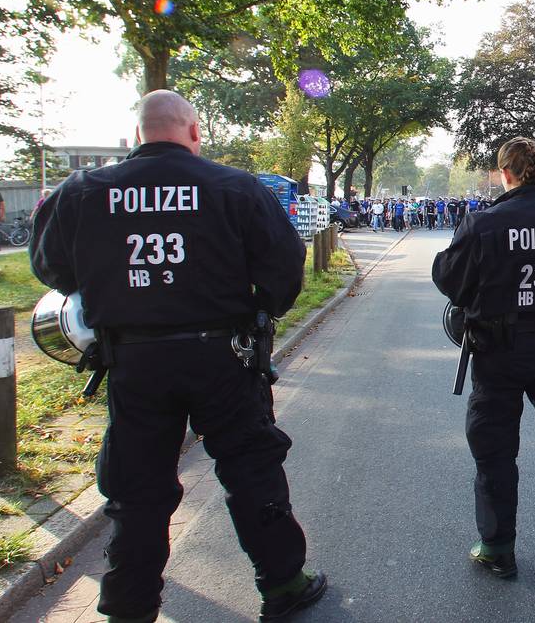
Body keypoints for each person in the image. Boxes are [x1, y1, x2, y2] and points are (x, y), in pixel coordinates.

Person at [28, 90, 325, 622]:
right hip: (224, 359)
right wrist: (259, 310)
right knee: (251, 470)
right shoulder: (237, 188)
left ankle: (128, 607)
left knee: (137, 486)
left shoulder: (83, 191)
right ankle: (283, 585)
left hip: (134, 361)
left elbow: (51, 268)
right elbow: (284, 266)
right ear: (195, 132)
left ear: (138, 133)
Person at [433, 137, 535, 577]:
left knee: (494, 451)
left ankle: (498, 546)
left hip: (497, 351)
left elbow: (450, 281)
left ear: (505, 173)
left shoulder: (483, 223)